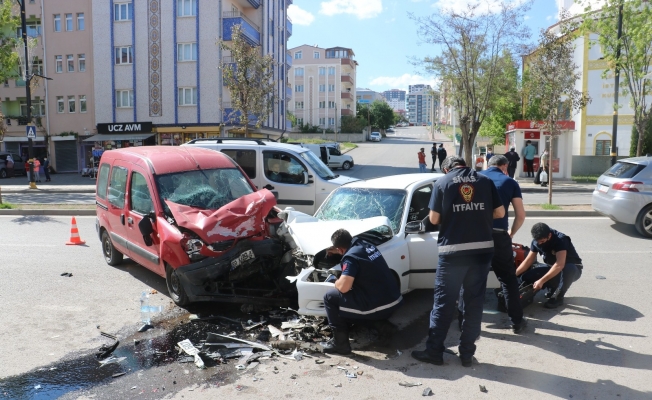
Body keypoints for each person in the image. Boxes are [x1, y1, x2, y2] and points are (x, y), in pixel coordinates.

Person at [411, 156, 504, 367]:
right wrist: (477, 214)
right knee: (474, 304)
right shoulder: (484, 180)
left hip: (453, 254)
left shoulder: (442, 183)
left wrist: (453, 214)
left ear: (446, 169)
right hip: (481, 252)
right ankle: (467, 355)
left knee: (443, 304)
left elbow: (434, 219)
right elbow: (500, 212)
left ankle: (434, 351)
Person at [321, 229, 403, 355]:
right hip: (393, 299)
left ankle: (340, 344)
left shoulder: (350, 258)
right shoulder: (365, 244)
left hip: (378, 305)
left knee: (330, 297)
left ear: (340, 249)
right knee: (355, 300)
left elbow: (343, 287)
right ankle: (384, 327)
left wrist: (335, 280)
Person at [479, 155, 528, 333]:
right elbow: (520, 215)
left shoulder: (475, 179)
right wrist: (511, 233)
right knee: (508, 280)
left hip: (476, 236)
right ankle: (517, 322)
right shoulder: (509, 182)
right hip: (499, 236)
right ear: (505, 167)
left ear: (488, 165)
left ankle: (464, 321)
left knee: (471, 280)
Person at [516, 223, 582, 309]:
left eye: (542, 241)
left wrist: (542, 280)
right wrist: (513, 275)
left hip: (571, 270)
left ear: (549, 235)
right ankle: (553, 287)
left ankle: (558, 297)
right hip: (552, 268)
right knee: (526, 277)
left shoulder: (560, 240)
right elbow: (528, 261)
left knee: (569, 268)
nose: (540, 243)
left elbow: (559, 265)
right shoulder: (536, 242)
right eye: (538, 241)